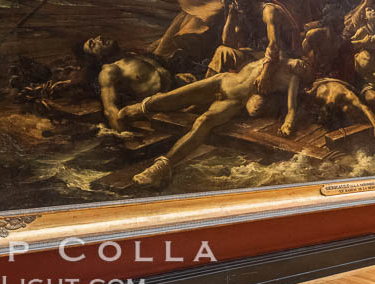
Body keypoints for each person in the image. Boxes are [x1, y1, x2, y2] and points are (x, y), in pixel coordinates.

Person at [127, 57, 312, 189]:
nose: (303, 65)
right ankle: (140, 109)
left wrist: (287, 124)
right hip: (220, 81)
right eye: (304, 63)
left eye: (307, 69)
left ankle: (162, 166)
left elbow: (291, 107)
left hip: (233, 101)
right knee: (165, 100)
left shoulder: (292, 79)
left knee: (205, 120)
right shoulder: (274, 56)